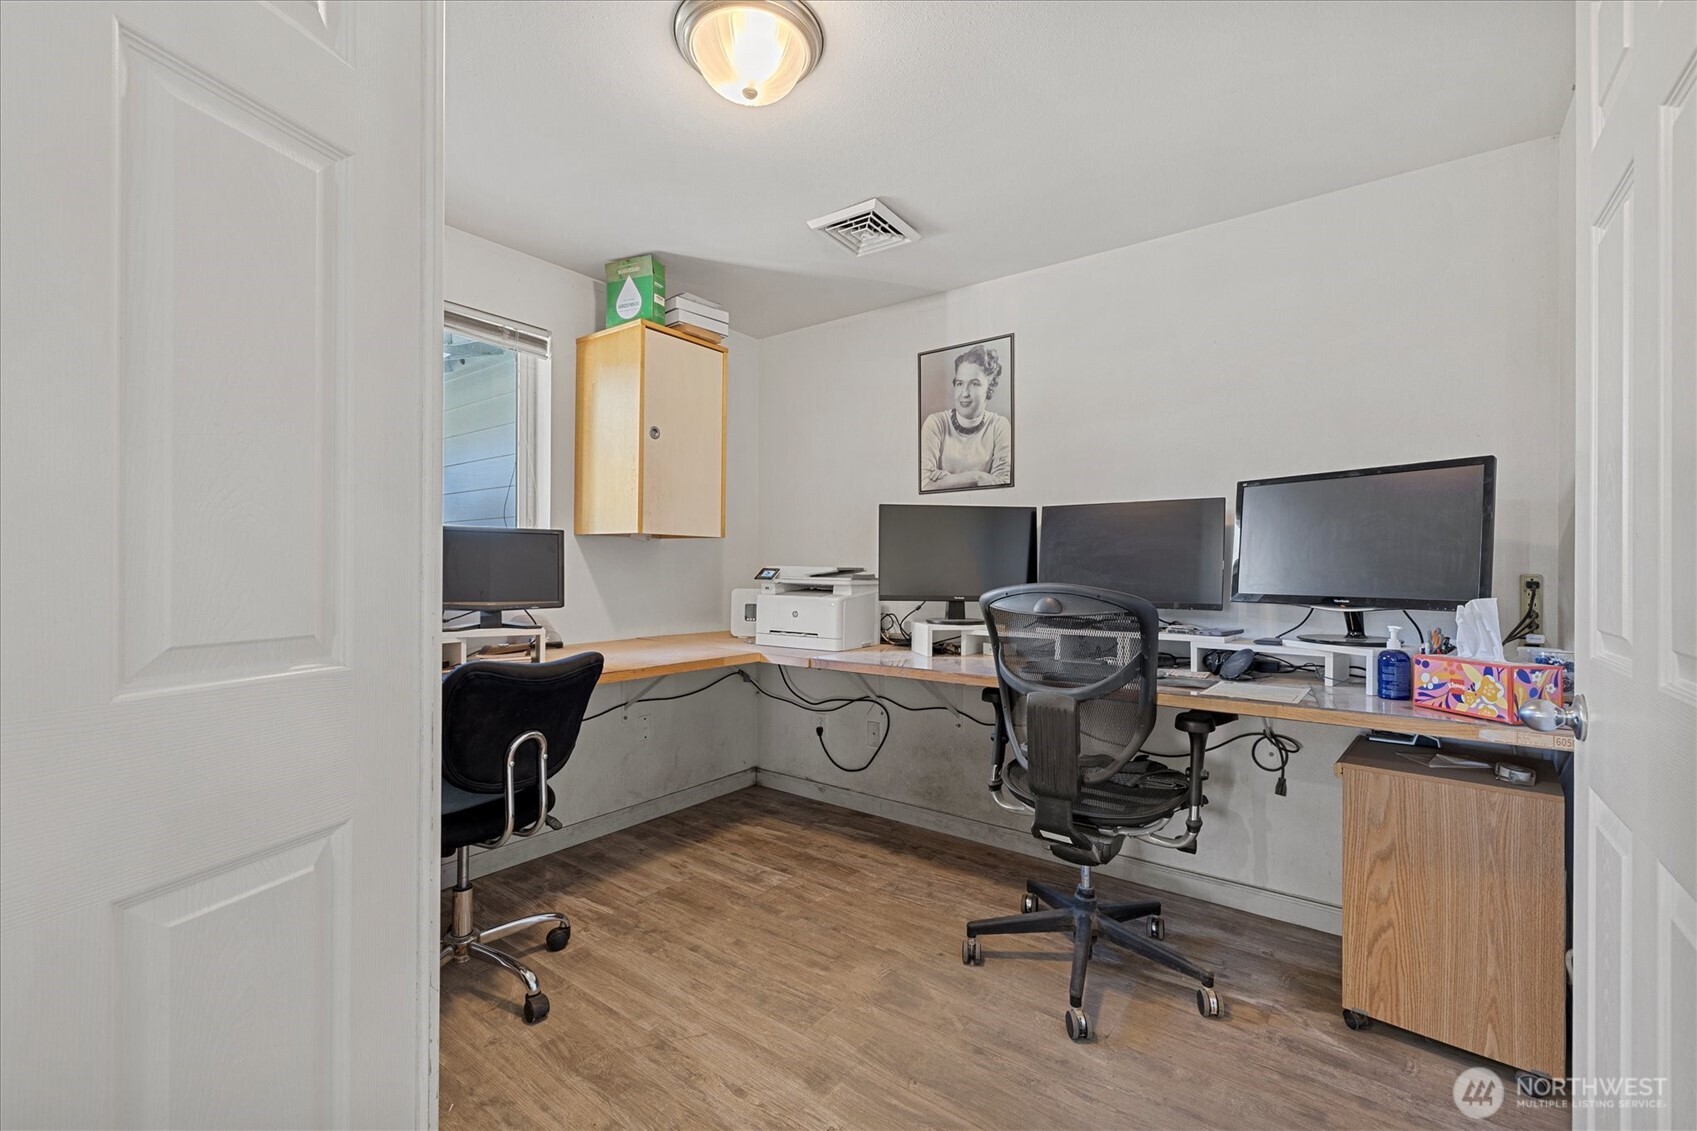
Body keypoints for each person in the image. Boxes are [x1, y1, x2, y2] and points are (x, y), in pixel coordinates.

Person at [920, 343, 1011, 490]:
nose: (964, 393)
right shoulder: (936, 423)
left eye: (974, 384)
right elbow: (924, 484)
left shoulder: (999, 426)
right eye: (960, 383)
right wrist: (977, 477)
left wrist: (948, 480)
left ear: (989, 388)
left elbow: (1002, 484)